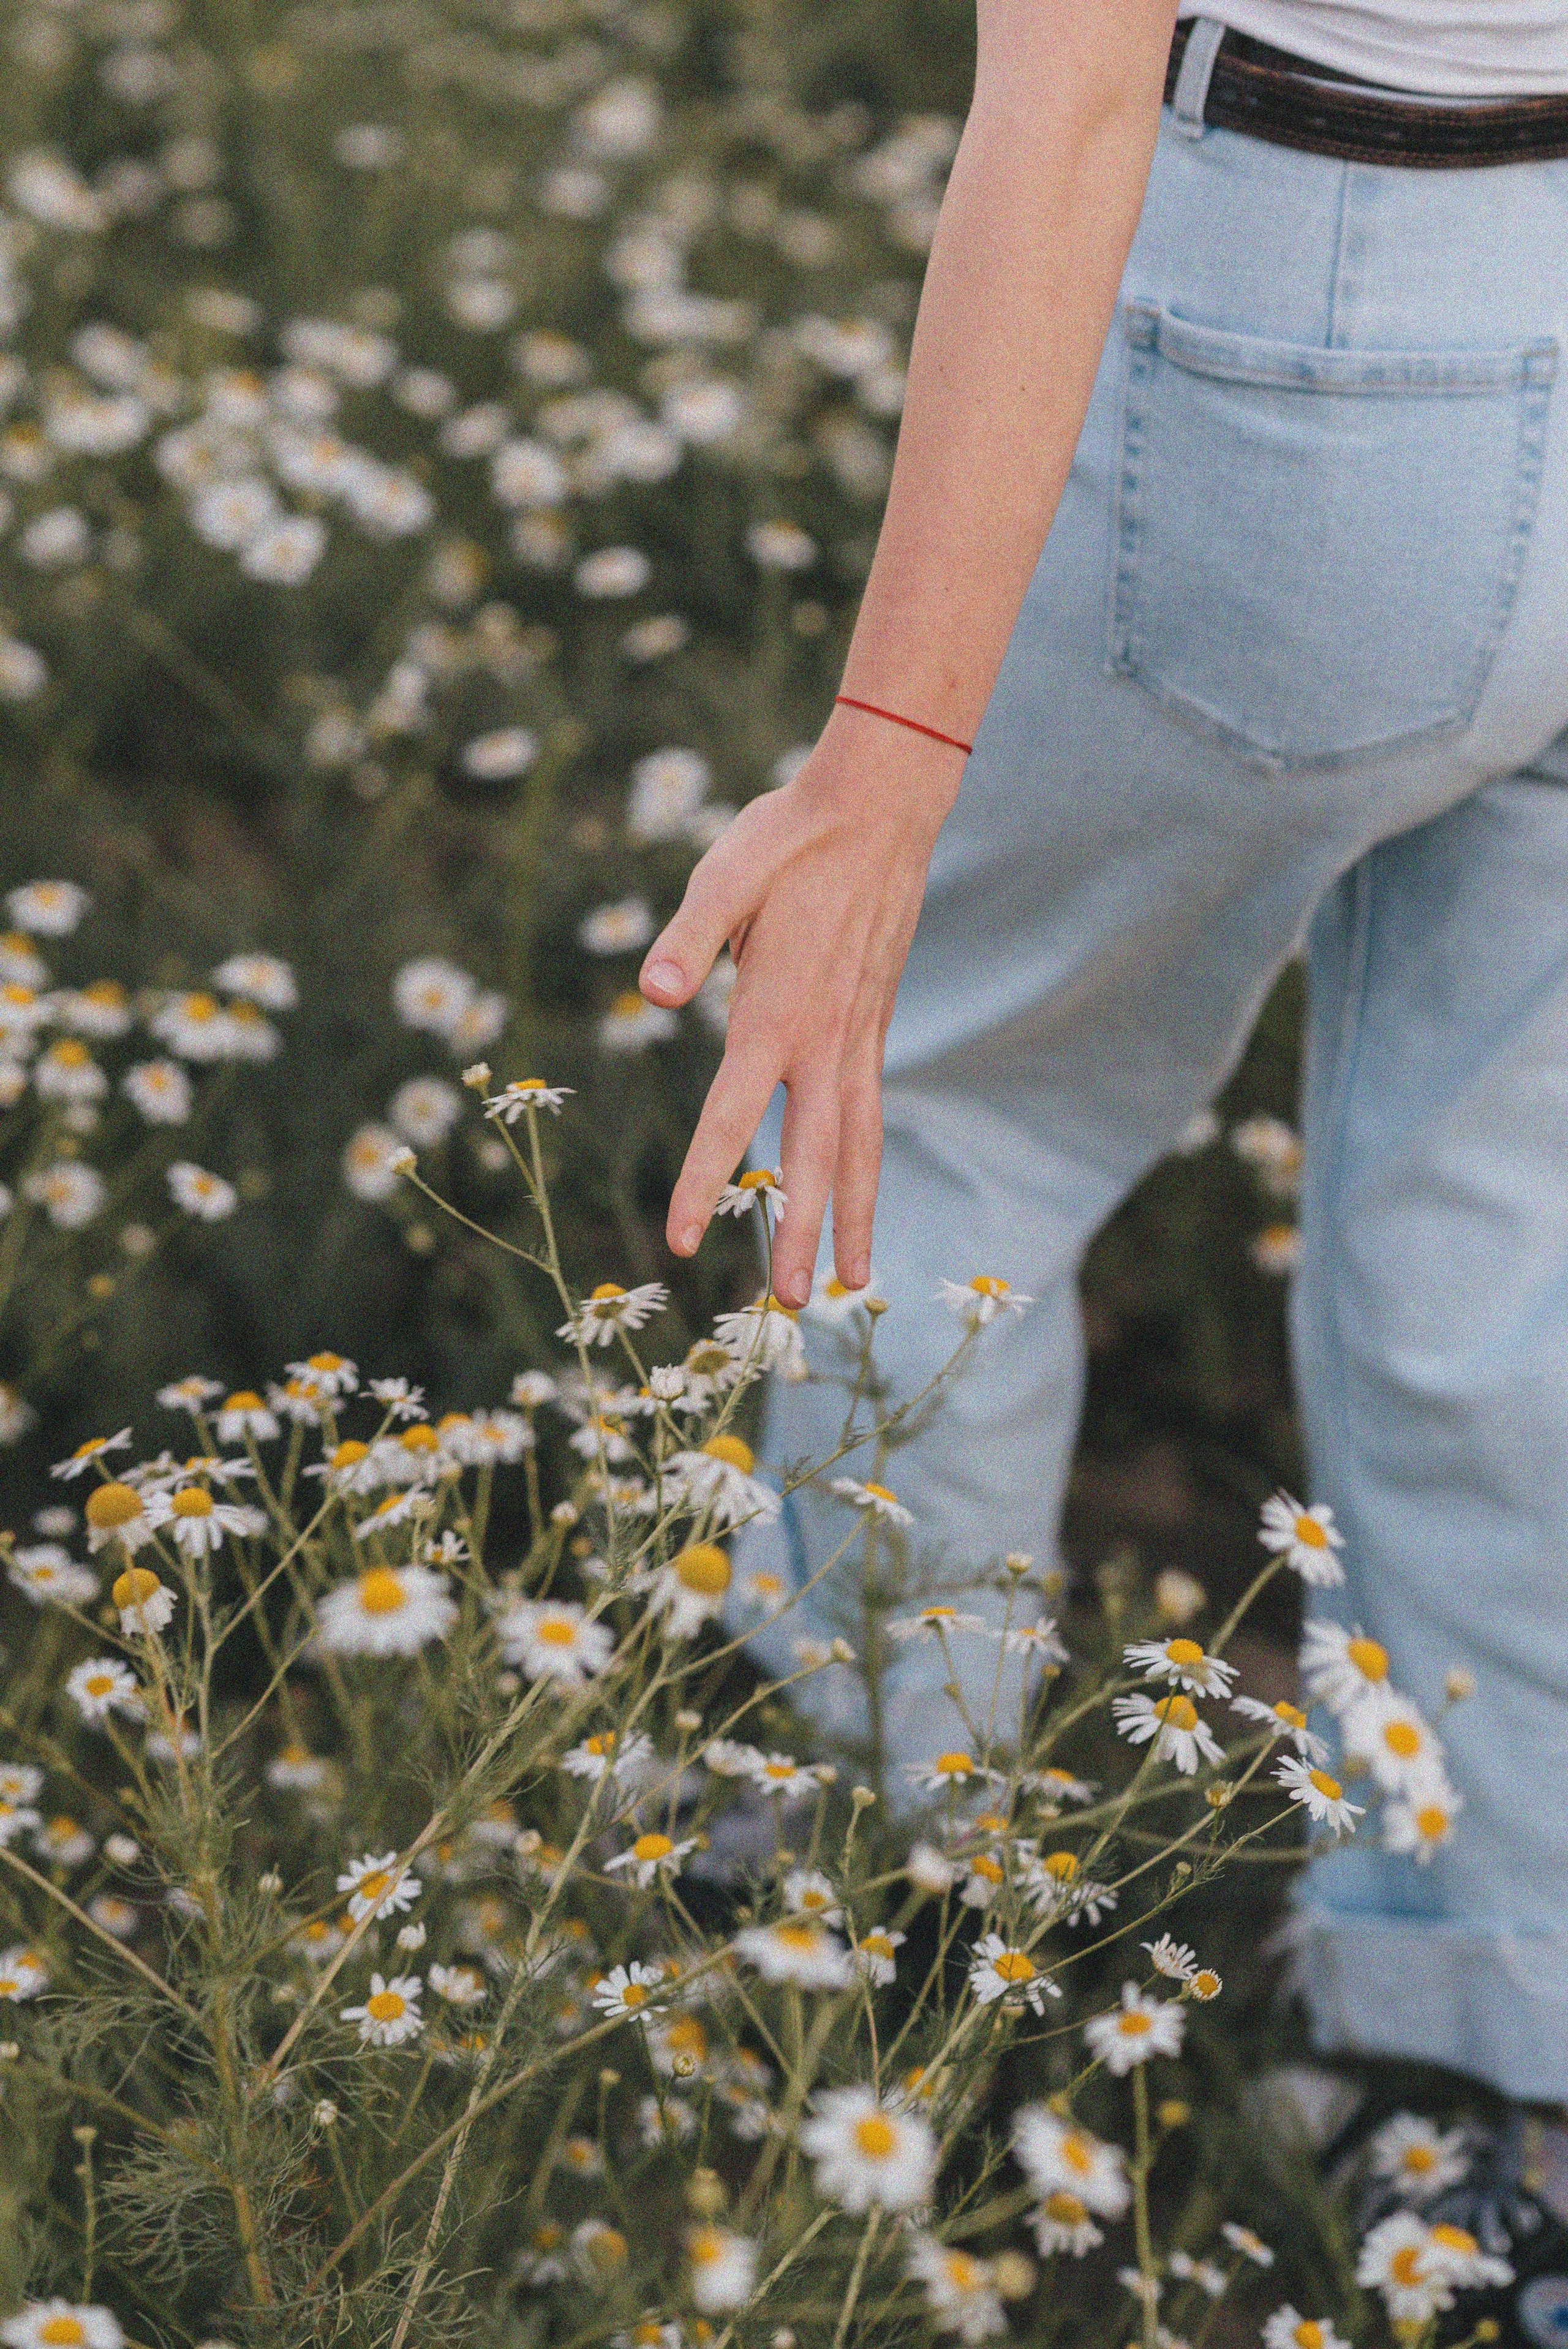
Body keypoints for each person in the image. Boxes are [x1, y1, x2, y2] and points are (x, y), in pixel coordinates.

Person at [635, 0, 1568, 2301]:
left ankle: (866, 1891)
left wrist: (882, 762)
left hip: (1334, 336)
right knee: (1495, 1224)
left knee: (941, 1093)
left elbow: (1063, 97)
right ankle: (1482, 2048)